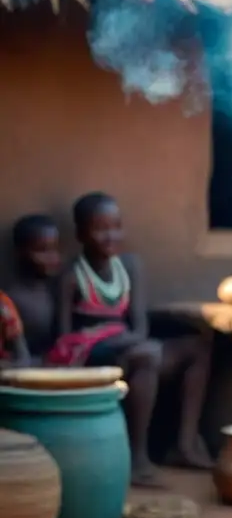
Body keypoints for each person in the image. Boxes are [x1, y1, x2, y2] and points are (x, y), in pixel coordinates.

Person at [52, 192, 213, 487]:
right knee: (147, 355)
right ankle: (137, 458)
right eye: (99, 229)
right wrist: (118, 341)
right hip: (96, 360)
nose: (110, 235)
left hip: (132, 349)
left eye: (116, 226)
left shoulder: (129, 266)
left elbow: (140, 326)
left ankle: (185, 444)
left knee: (197, 347)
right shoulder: (72, 277)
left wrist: (131, 341)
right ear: (80, 234)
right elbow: (65, 342)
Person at [7, 214, 62, 363]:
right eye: (42, 251)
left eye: (55, 249)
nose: (53, 258)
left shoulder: (58, 288)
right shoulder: (11, 298)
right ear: (20, 252)